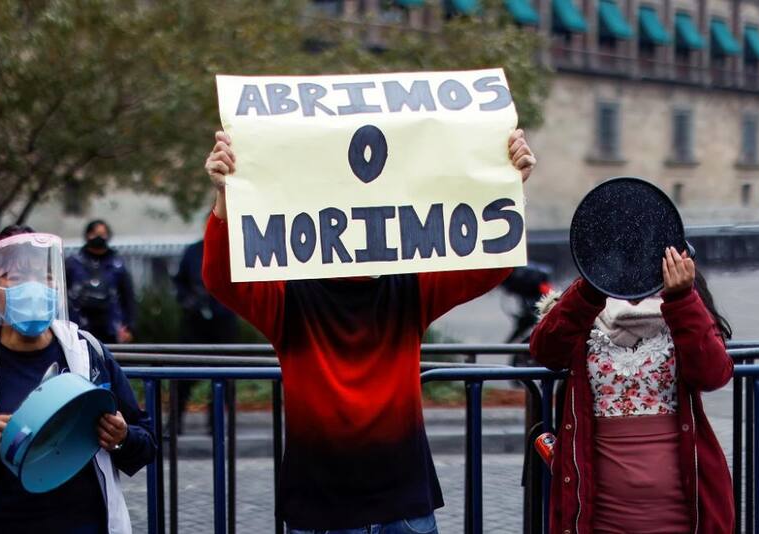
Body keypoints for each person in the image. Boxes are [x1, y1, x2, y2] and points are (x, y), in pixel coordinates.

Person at [203, 129, 536, 533]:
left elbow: (489, 262)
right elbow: (221, 278)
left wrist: (509, 185)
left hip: (401, 506)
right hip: (327, 510)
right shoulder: (290, 298)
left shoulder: (407, 289)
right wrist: (224, 197)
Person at [0, 226, 156, 534]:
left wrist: (123, 438)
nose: (34, 288)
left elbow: (147, 442)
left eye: (44, 276)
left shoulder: (90, 355)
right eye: (16, 277)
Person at [529, 247, 735, 533]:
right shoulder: (586, 298)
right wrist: (591, 287)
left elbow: (714, 373)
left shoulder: (683, 293)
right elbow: (545, 351)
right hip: (597, 515)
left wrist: (682, 299)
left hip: (681, 513)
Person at [172, 239, 239, 434]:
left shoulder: (233, 249)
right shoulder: (193, 251)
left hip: (223, 319)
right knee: (183, 374)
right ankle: (176, 421)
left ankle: (216, 423)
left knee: (225, 374)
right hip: (195, 321)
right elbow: (180, 283)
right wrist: (188, 300)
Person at [66, 220, 137, 344]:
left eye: (102, 234)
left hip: (110, 327)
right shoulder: (73, 263)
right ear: (87, 235)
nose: (98, 237)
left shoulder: (117, 265)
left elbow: (128, 298)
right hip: (79, 326)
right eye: (94, 233)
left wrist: (129, 327)